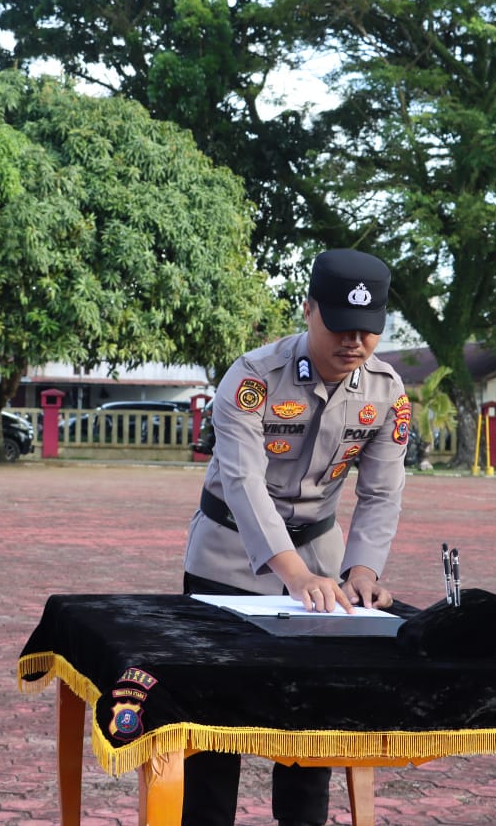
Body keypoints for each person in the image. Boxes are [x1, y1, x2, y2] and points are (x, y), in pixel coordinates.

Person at [182, 248, 410, 826]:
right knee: (214, 720)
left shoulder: (387, 391)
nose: (353, 342)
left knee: (314, 719)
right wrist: (295, 575)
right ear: (308, 310)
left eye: (367, 330)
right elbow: (242, 482)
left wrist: (362, 572)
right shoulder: (253, 377)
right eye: (339, 326)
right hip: (228, 556)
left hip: (322, 559)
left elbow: (382, 492)